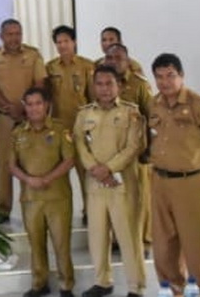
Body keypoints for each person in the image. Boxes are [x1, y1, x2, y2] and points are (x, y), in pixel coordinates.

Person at [147, 53, 200, 293]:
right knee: (164, 245)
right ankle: (173, 290)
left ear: (181, 76)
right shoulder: (154, 105)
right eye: (159, 77)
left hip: (192, 183)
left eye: (170, 75)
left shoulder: (199, 105)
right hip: (160, 181)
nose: (165, 82)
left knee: (198, 244)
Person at [73, 65, 146, 297]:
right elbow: (79, 144)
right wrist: (95, 169)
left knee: (128, 238)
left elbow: (133, 147)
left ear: (119, 86)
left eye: (109, 84)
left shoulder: (131, 112)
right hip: (95, 184)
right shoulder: (84, 114)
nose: (104, 89)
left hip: (122, 185)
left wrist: (109, 169)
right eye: (99, 84)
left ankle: (135, 286)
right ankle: (102, 281)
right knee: (97, 236)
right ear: (93, 86)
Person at [10, 87, 75, 297]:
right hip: (31, 198)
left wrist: (47, 179)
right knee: (36, 244)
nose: (34, 108)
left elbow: (69, 160)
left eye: (38, 103)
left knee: (61, 244)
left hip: (58, 197)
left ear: (46, 105)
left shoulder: (60, 129)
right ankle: (39, 284)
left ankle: (66, 285)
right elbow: (12, 165)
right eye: (29, 104)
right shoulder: (18, 133)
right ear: (25, 107)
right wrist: (29, 179)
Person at [0, 19, 46, 222]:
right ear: (1, 36)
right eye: (10, 34)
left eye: (18, 33)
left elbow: (40, 83)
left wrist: (25, 107)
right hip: (4, 119)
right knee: (4, 164)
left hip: (30, 118)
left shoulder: (33, 55)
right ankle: (2, 209)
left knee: (31, 162)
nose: (14, 38)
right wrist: (9, 107)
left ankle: (32, 203)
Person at [104, 42, 153, 252]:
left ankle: (143, 240)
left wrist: (149, 150)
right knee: (115, 196)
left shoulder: (139, 84)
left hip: (136, 152)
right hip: (110, 152)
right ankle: (117, 239)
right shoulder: (101, 83)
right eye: (110, 58)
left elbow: (151, 117)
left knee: (139, 198)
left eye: (119, 58)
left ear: (127, 61)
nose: (114, 62)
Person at [45, 25, 94, 225]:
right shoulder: (50, 68)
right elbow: (46, 99)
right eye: (59, 42)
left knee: (86, 173)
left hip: (81, 128)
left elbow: (93, 99)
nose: (62, 45)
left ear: (74, 42)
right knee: (58, 175)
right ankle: (59, 213)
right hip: (59, 129)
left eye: (66, 41)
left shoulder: (87, 66)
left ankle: (89, 210)